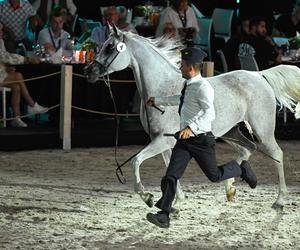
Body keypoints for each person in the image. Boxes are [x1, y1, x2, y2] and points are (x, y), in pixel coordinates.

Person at [146, 47, 257, 228]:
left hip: (201, 141)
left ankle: (241, 169)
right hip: (185, 141)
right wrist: (157, 100)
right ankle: (164, 215)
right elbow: (180, 100)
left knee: (214, 175)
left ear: (190, 68)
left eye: (181, 65)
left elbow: (209, 113)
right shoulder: (188, 85)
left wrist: (191, 127)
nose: (179, 68)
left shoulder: (203, 87)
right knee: (171, 176)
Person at [0, 22, 47, 127]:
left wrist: (6, 67)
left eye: (2, 30)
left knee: (16, 87)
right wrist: (26, 59)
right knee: (18, 76)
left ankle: (16, 118)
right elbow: (5, 57)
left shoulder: (1, 41)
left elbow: (3, 58)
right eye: (0, 30)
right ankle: (31, 104)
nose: (2, 32)